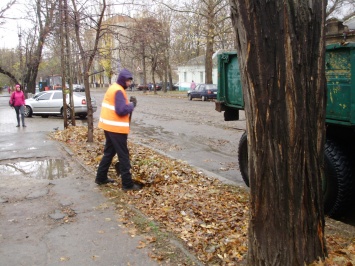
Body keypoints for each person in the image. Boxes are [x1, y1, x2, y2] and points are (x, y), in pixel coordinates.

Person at [95, 68, 141, 191]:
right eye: (128, 81)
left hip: (108, 127)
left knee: (109, 153)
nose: (129, 83)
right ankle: (127, 184)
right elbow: (121, 111)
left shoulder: (113, 88)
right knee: (123, 155)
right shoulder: (118, 91)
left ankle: (101, 177)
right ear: (123, 80)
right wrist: (132, 105)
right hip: (116, 129)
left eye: (130, 81)